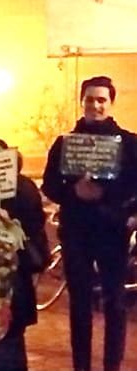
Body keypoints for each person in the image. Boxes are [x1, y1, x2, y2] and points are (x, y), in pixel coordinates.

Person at [41, 76, 137, 371]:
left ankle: (112, 366)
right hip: (76, 232)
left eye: (101, 99)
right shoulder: (63, 143)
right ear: (82, 102)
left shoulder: (130, 143)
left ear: (111, 103)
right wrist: (73, 192)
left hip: (113, 232)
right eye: (90, 99)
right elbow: (49, 185)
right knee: (79, 303)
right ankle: (81, 366)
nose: (95, 105)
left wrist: (107, 196)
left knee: (115, 302)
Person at [0, 139, 49, 371]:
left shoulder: (22, 187)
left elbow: (33, 223)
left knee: (9, 324)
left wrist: (10, 224)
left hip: (13, 270)